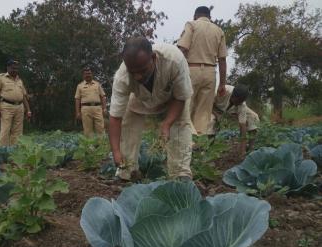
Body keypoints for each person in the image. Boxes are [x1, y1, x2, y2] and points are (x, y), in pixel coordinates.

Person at [109, 36, 193, 181]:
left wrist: (167, 124)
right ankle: (126, 171)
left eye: (142, 70)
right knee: (128, 123)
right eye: (132, 72)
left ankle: (180, 173)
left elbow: (180, 97)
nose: (138, 76)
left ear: (153, 58)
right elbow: (115, 117)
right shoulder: (122, 77)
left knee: (180, 125)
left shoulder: (174, 60)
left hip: (172, 98)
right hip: (139, 98)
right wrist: (116, 152)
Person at [177, 6, 228, 135]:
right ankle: (199, 143)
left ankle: (185, 142)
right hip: (211, 73)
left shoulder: (192, 25)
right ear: (210, 18)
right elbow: (222, 60)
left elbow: (182, 49)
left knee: (185, 109)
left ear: (195, 16)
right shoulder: (219, 31)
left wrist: (175, 73)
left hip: (191, 70)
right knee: (203, 113)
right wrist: (222, 84)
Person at [207, 84, 260, 156]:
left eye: (241, 102)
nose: (239, 104)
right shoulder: (221, 91)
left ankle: (250, 149)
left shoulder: (241, 104)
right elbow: (207, 104)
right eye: (238, 101)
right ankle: (210, 150)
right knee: (211, 121)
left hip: (229, 110)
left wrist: (242, 150)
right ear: (233, 96)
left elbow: (242, 126)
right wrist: (217, 115)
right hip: (214, 108)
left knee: (254, 117)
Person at [0, 59, 31, 146]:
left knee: (18, 131)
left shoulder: (19, 80)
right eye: (13, 68)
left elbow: (23, 96)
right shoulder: (1, 78)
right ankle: (2, 151)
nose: (15, 70)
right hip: (6, 106)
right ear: (8, 68)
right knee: (5, 129)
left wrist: (28, 110)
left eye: (17, 68)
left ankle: (14, 151)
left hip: (20, 107)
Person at [75, 68, 107, 137]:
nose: (88, 75)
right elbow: (77, 99)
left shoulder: (97, 84)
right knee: (87, 130)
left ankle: (101, 146)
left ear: (92, 74)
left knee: (100, 128)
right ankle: (90, 147)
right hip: (85, 109)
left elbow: (103, 96)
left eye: (89, 73)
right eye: (86, 74)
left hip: (97, 108)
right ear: (83, 75)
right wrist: (77, 112)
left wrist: (104, 108)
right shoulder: (80, 86)